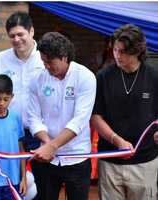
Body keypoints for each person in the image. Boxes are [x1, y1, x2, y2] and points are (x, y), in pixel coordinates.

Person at [91, 24, 158, 200]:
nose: (117, 55)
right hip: (110, 160)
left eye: (122, 52)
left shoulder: (153, 76)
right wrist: (116, 140)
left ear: (136, 51)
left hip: (145, 161)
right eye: (115, 50)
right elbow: (96, 117)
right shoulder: (103, 76)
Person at [28, 32, 96, 200]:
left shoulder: (85, 76)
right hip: (46, 159)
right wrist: (46, 143)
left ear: (64, 57)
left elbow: (80, 120)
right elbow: (33, 117)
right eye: (43, 61)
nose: (46, 66)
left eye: (50, 61)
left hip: (77, 157)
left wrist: (53, 146)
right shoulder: (37, 78)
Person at [0, 11, 46, 200]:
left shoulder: (44, 58)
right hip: (10, 132)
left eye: (21, 34)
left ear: (31, 32)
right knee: (13, 183)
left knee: (42, 182)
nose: (17, 39)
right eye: (12, 36)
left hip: (39, 131)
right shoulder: (0, 59)